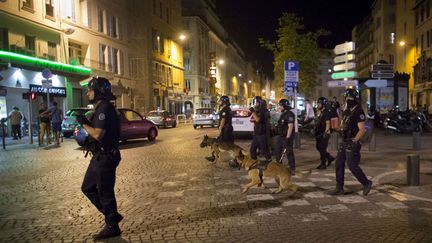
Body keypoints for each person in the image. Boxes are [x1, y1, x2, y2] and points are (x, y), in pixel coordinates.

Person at [77, 77, 123, 240]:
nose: (88, 92)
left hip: (106, 156)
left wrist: (83, 123)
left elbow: (98, 133)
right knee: (87, 187)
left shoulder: (104, 108)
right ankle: (112, 216)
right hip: (99, 155)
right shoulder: (100, 108)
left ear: (98, 91)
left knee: (105, 192)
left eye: (90, 89)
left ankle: (112, 226)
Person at [329, 88, 373, 196]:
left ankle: (366, 183)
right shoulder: (347, 111)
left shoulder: (358, 111)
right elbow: (343, 125)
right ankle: (339, 187)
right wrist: (334, 129)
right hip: (345, 141)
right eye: (347, 98)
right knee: (338, 163)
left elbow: (362, 129)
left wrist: (354, 141)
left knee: (352, 165)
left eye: (351, 98)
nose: (348, 100)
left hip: (353, 141)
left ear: (355, 99)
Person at [205, 95, 234, 162]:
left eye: (220, 101)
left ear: (224, 102)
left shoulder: (224, 110)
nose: (219, 102)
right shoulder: (228, 109)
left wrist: (220, 129)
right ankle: (213, 156)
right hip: (229, 130)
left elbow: (223, 120)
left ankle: (233, 160)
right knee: (224, 144)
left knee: (222, 144)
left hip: (225, 131)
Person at [274, 98, 296, 173]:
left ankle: (292, 167)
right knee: (277, 151)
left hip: (286, 137)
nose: (279, 107)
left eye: (280, 106)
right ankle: (279, 166)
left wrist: (288, 137)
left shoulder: (289, 114)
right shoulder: (283, 114)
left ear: (284, 106)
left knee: (289, 152)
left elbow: (290, 126)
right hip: (280, 136)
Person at [314, 97, 335, 170]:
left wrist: (326, 133)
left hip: (324, 133)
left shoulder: (326, 112)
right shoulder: (321, 111)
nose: (318, 105)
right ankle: (329, 157)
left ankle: (323, 163)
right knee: (319, 147)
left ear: (323, 104)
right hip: (319, 133)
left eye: (319, 103)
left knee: (322, 148)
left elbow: (328, 123)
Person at [249, 96, 271, 161]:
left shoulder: (263, 111)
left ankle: (269, 162)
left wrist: (253, 112)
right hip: (257, 133)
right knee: (252, 149)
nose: (256, 104)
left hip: (262, 133)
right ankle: (254, 162)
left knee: (264, 150)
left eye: (257, 103)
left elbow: (258, 119)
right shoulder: (259, 111)